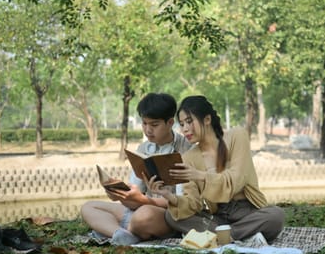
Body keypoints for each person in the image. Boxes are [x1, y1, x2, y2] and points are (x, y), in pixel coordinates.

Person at [149, 95, 285, 243]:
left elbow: (237, 180)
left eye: (189, 121)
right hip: (218, 218)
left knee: (276, 215)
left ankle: (224, 236)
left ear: (207, 120)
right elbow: (193, 203)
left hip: (248, 212)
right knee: (171, 215)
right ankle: (238, 236)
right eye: (181, 124)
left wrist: (201, 175)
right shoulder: (188, 157)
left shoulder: (236, 136)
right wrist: (168, 195)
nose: (185, 129)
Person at [80, 93, 192, 245]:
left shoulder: (186, 150)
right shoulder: (144, 148)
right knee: (89, 207)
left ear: (170, 122)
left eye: (154, 125)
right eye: (144, 123)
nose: (148, 130)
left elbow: (184, 203)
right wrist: (121, 194)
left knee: (143, 216)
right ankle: (123, 234)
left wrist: (146, 200)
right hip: (140, 207)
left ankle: (114, 230)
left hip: (168, 215)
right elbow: (136, 188)